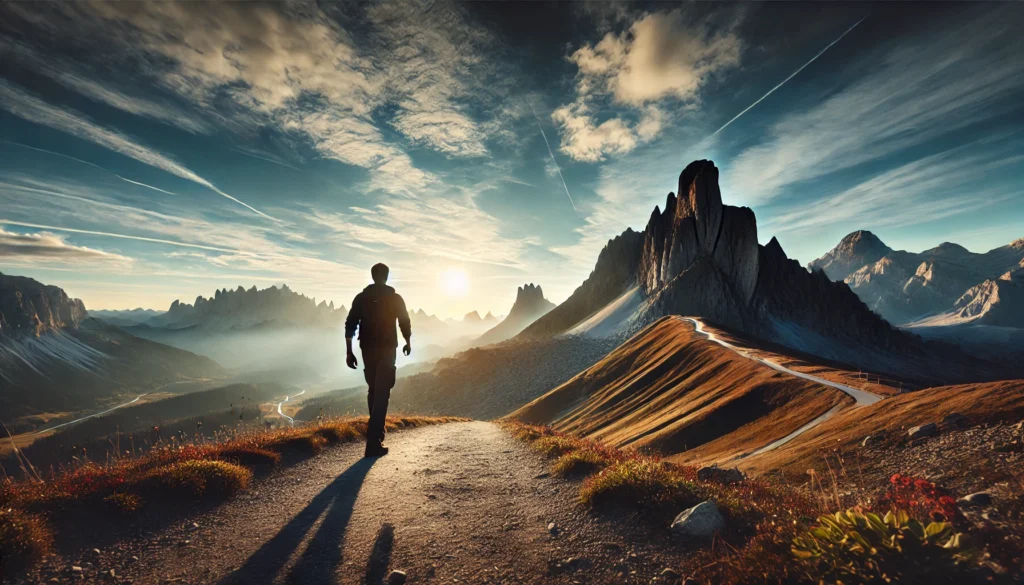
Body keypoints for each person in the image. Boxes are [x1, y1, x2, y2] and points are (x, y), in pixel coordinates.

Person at [345, 263, 412, 457]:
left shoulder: (361, 298)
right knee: (382, 392)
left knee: (374, 390)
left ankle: (376, 436)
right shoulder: (395, 298)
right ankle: (373, 442)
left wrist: (349, 352)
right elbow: (404, 321)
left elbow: (350, 325)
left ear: (373, 276)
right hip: (387, 348)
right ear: (387, 276)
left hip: (366, 349)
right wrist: (408, 342)